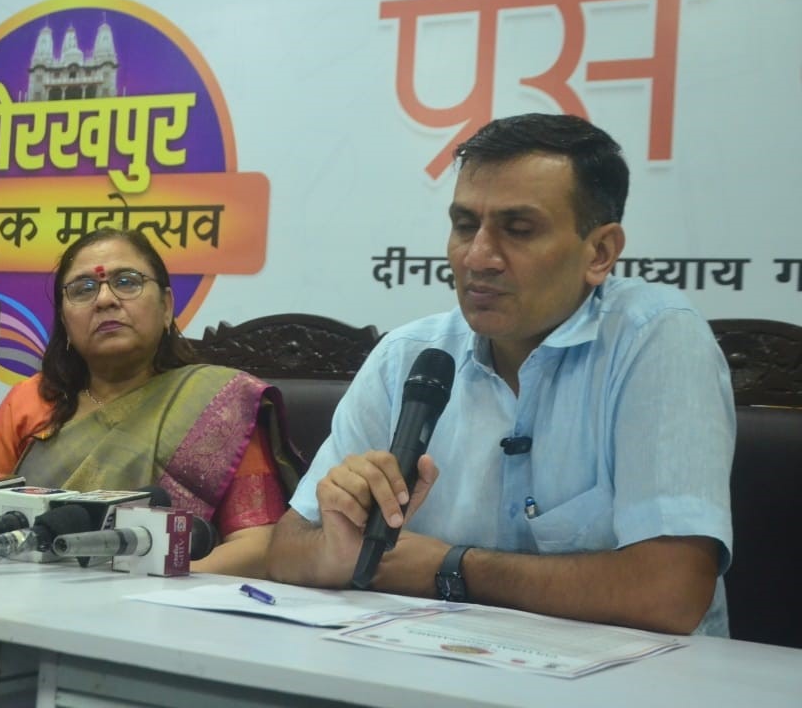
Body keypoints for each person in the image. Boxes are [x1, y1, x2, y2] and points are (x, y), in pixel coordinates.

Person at [266, 113, 735, 636]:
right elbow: (287, 547)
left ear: (600, 253)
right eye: (465, 225)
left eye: (518, 230)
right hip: (433, 663)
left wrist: (450, 567)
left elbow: (669, 592)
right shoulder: (410, 355)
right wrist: (334, 551)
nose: (478, 257)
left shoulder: (655, 337)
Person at [0, 228, 298, 577]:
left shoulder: (218, 406)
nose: (104, 300)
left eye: (126, 282)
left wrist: (152, 584)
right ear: (65, 321)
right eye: (83, 289)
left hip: (163, 601)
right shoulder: (28, 401)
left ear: (166, 306)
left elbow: (257, 545)